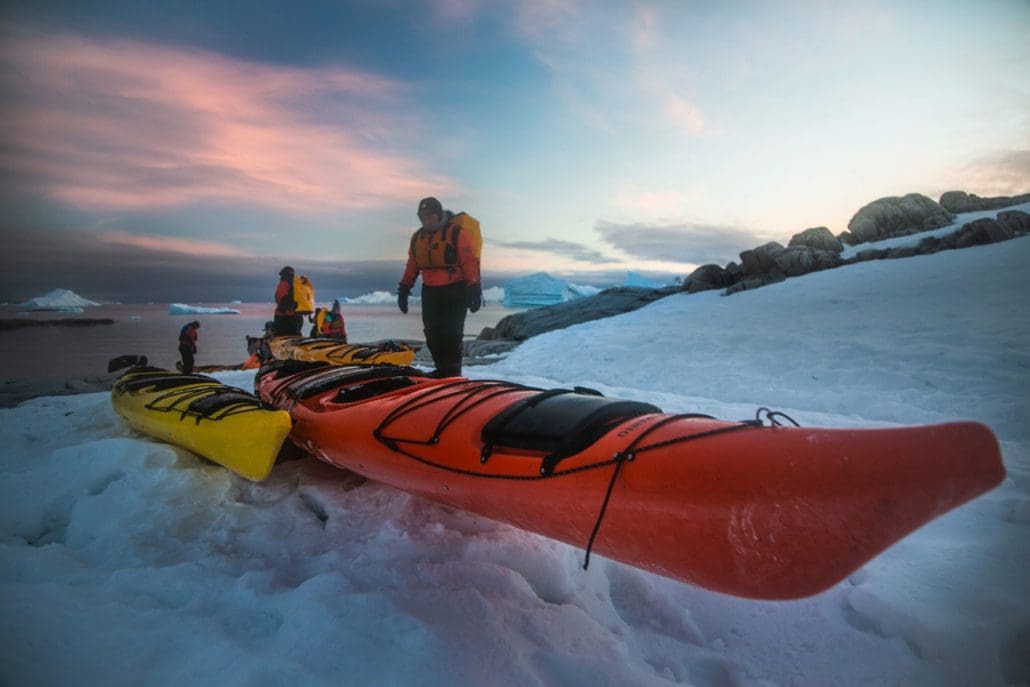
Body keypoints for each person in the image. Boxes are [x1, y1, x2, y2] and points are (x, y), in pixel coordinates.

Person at [397, 196, 481, 378]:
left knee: (452, 334)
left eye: (430, 216)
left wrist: (474, 287)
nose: (426, 220)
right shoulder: (417, 238)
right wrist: (404, 288)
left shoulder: (457, 233)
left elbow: (469, 261)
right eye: (423, 217)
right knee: (432, 335)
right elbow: (413, 264)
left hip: (455, 290)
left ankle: (453, 373)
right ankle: (442, 370)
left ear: (439, 214)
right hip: (431, 292)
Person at [273, 266, 303, 336]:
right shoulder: (297, 285)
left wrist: (283, 309)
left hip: (285, 317)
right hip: (298, 317)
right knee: (295, 336)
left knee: (283, 337)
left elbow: (280, 299)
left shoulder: (284, 284)